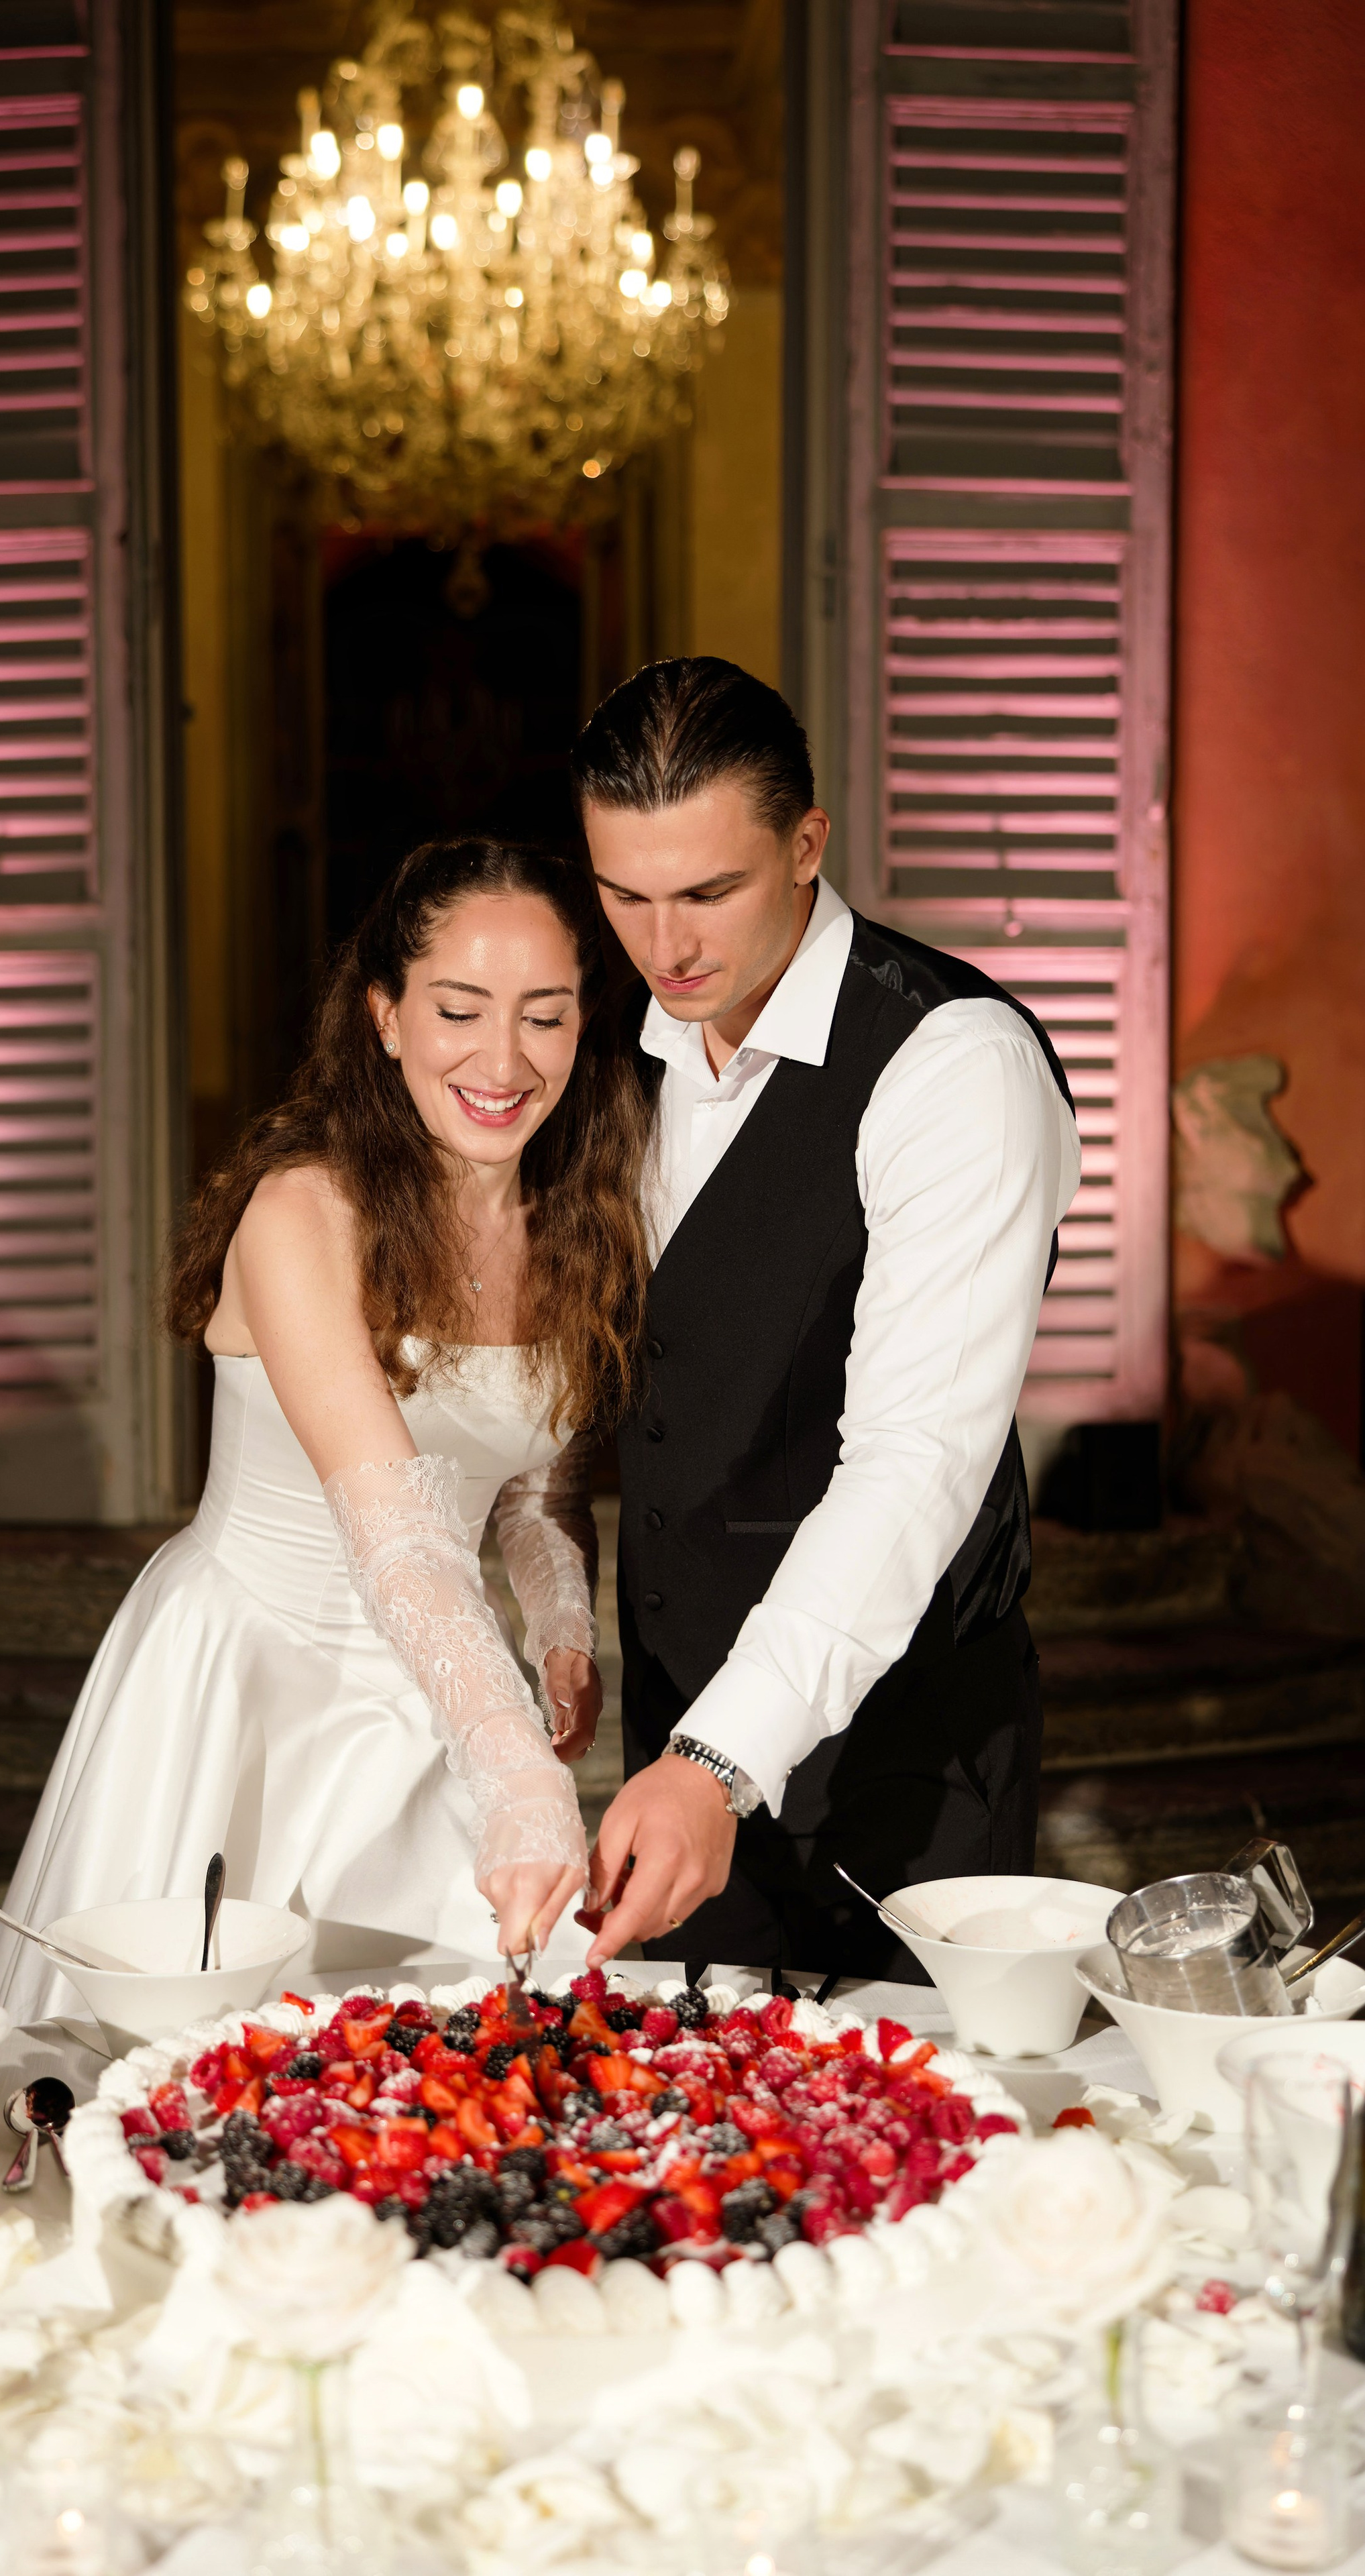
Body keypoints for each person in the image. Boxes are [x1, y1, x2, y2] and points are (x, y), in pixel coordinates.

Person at [0, 839, 651, 2028]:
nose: (503, 1059)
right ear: (386, 1016)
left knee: (459, 2068)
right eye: (459, 1010)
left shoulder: (581, 1218)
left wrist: (557, 1628)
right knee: (180, 2070)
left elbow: (532, 1488)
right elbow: (396, 1530)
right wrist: (517, 1772)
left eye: (544, 1017)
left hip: (435, 1687)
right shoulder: (306, 1211)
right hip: (248, 1686)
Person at [574, 657, 1083, 1978]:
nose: (663, 945)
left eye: (706, 893)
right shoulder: (616, 1042)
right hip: (679, 1733)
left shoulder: (951, 1066)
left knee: (903, 2145)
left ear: (806, 845)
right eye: (623, 895)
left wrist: (718, 1755)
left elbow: (914, 1462)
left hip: (900, 1766)